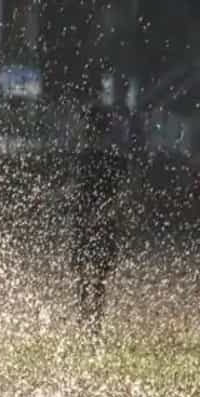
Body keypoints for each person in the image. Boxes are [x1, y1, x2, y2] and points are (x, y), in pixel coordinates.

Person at [70, 104, 128, 338]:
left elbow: (76, 190)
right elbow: (121, 194)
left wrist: (89, 215)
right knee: (100, 277)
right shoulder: (115, 159)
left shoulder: (83, 159)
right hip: (103, 220)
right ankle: (95, 323)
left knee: (84, 274)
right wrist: (107, 213)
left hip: (86, 220)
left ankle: (86, 320)